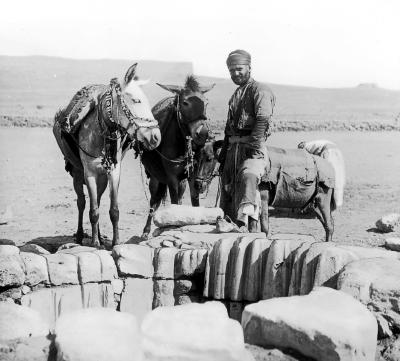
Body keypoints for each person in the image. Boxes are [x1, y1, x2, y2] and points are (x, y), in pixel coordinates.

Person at [219, 49, 276, 231]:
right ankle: (229, 226)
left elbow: (262, 120)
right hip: (233, 152)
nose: (235, 74)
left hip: (253, 150)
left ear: (249, 68)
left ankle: (247, 226)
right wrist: (223, 158)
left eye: (239, 69)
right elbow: (229, 130)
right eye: (231, 71)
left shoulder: (260, 90)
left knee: (248, 176)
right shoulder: (235, 95)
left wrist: (251, 145)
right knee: (226, 190)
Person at [298, 139, 345, 207]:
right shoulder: (312, 144)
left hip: (328, 151)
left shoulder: (305, 149)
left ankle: (328, 202)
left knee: (328, 178)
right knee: (338, 177)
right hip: (337, 151)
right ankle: (336, 202)